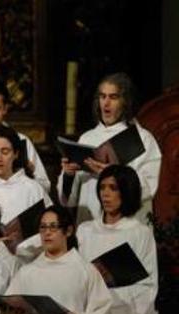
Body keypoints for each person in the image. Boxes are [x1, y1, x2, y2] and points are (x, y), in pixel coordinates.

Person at [76, 165, 159, 314]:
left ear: (127, 191)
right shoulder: (84, 231)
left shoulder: (139, 233)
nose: (105, 193)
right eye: (102, 187)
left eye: (113, 188)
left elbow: (147, 285)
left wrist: (108, 305)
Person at [58, 72, 162, 225]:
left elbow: (149, 187)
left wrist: (114, 174)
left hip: (127, 224)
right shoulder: (87, 138)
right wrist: (68, 175)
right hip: (91, 223)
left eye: (113, 97)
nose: (105, 103)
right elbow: (69, 200)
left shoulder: (141, 138)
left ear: (125, 102)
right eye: (102, 96)